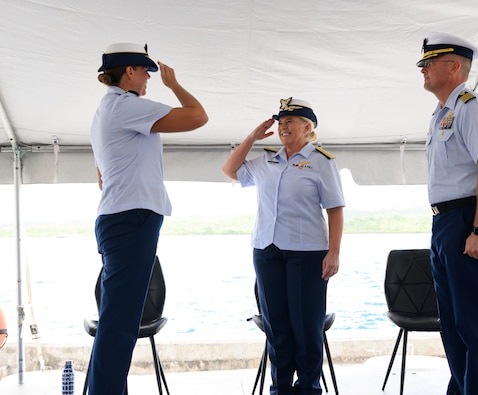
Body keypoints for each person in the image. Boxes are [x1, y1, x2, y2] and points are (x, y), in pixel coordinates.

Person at [88, 43, 208, 394]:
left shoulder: (105, 110)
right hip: (131, 220)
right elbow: (198, 116)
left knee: (117, 321)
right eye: (145, 73)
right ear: (129, 72)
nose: (149, 80)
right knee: (121, 324)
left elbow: (101, 176)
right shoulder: (126, 106)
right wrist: (175, 85)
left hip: (122, 218)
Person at [222, 97, 345, 395]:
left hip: (307, 253)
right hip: (267, 251)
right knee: (276, 326)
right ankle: (280, 388)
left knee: (306, 327)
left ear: (307, 127)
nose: (283, 127)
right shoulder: (266, 160)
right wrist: (252, 137)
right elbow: (229, 170)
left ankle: (308, 388)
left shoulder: (322, 161)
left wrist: (334, 252)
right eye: (280, 122)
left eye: (290, 121)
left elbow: (336, 209)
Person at [417, 32, 478, 395]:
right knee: (452, 326)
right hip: (445, 223)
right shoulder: (442, 114)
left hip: (470, 220)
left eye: (428, 63)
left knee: (475, 326)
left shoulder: (471, 107)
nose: (422, 70)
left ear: (453, 67)